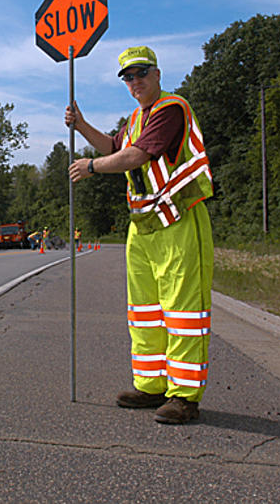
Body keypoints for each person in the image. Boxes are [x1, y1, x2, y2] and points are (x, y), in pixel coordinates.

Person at [66, 45, 214, 424]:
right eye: (128, 77)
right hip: (143, 225)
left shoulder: (171, 109)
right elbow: (116, 146)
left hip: (179, 221)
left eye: (141, 73)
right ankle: (151, 386)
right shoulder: (136, 118)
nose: (136, 81)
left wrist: (92, 167)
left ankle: (184, 396)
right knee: (145, 312)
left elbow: (136, 156)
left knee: (182, 310)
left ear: (158, 73)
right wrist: (81, 125)